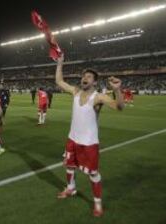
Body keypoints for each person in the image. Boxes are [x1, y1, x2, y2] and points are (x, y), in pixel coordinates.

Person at [55, 55, 124, 217]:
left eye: (88, 76)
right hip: (72, 138)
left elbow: (119, 107)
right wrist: (60, 63)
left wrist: (117, 90)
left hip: (89, 143)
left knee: (93, 173)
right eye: (83, 76)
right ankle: (71, 188)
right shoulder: (76, 92)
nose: (84, 78)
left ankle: (97, 204)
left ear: (94, 82)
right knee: (69, 166)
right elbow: (59, 81)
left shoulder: (98, 97)